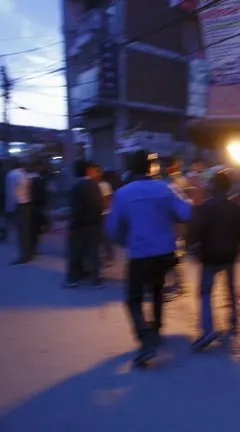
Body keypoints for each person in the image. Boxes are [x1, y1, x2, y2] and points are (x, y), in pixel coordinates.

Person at [106, 150, 192, 365]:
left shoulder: (123, 194)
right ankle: (156, 331)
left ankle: (146, 341)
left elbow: (113, 228)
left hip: (140, 253)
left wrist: (126, 242)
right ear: (151, 168)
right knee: (156, 290)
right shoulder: (166, 189)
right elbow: (186, 214)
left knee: (133, 299)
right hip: (165, 253)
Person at [187, 171, 240, 351]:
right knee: (231, 289)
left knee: (205, 292)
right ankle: (234, 322)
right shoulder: (236, 209)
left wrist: (193, 249)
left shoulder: (204, 208)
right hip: (229, 254)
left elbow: (194, 232)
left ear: (212, 188)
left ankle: (208, 329)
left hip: (210, 256)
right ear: (228, 188)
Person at [65, 160, 104, 288]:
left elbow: (75, 209)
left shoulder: (76, 187)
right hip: (94, 224)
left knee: (75, 252)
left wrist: (73, 222)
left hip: (79, 225)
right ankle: (95, 279)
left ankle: (73, 279)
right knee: (93, 252)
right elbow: (99, 205)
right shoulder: (95, 185)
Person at [164, 158, 193, 301]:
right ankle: (175, 284)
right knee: (173, 255)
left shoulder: (178, 181)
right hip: (172, 226)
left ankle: (177, 285)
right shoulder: (168, 185)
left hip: (176, 226)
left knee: (176, 254)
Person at [6, 159, 32, 265]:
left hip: (18, 205)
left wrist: (9, 208)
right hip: (27, 203)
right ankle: (28, 253)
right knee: (26, 231)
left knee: (21, 232)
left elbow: (11, 193)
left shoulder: (11, 175)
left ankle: (23, 256)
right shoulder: (24, 174)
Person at [89, 164, 115, 265]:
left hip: (104, 213)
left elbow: (108, 199)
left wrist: (104, 208)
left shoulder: (104, 185)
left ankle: (109, 256)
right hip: (97, 213)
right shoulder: (91, 185)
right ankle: (102, 256)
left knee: (104, 236)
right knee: (99, 237)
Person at [28, 160, 48, 257]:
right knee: (36, 229)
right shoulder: (36, 179)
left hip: (32, 206)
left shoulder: (29, 178)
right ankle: (33, 249)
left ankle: (32, 249)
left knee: (34, 229)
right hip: (36, 206)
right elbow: (40, 194)